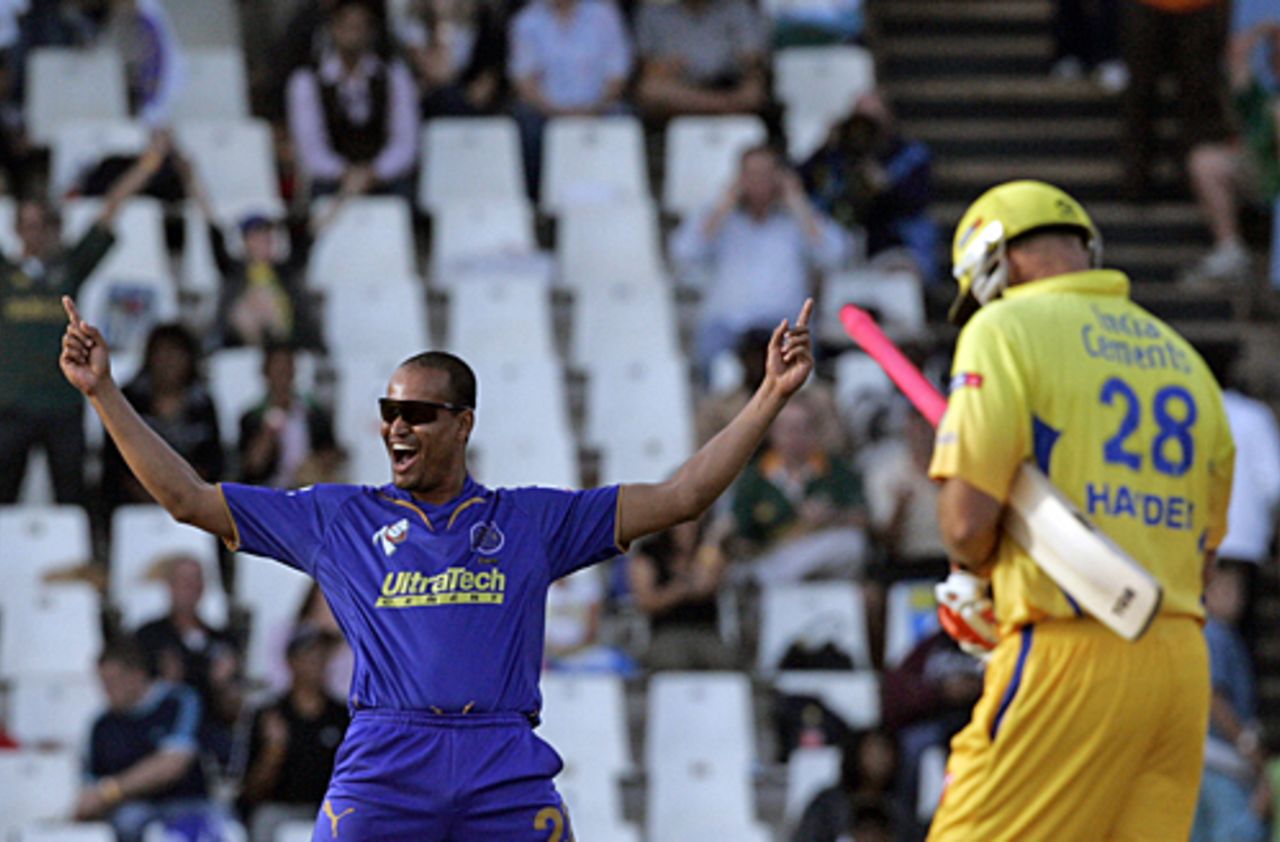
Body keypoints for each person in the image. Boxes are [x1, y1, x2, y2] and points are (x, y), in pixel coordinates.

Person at [59, 287, 817, 840]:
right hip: (386, 757)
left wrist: (769, 398)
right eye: (389, 412)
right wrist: (104, 395)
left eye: (417, 413)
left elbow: (682, 496)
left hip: (500, 758)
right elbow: (190, 500)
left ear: (463, 424)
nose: (396, 427)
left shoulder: (529, 520)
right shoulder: (338, 517)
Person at [926, 180, 1234, 840]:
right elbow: (1204, 557)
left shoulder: (1002, 329)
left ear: (992, 261)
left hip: (1068, 650)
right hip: (1180, 663)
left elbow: (964, 521)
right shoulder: (1186, 362)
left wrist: (974, 582)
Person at [0, 132, 167, 505]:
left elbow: (110, 209)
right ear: (15, 229)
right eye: (26, 225)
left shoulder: (69, 268)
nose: (34, 234)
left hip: (62, 405)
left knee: (72, 500)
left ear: (53, 227)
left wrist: (147, 165)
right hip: (9, 406)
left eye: (40, 224)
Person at [671, 143, 853, 378]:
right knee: (710, 355)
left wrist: (797, 201)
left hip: (784, 324)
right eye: (751, 174)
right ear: (739, 178)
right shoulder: (720, 217)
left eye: (766, 174)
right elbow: (683, 252)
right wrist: (724, 203)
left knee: (802, 357)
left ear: (780, 178)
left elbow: (836, 255)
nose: (758, 181)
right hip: (728, 324)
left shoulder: (797, 220)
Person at [1120, 0, 1249, 283]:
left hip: (1201, 7)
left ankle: (1186, 177)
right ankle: (1136, 180)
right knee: (1140, 95)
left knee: (1199, 94)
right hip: (1147, 6)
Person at [177, 149, 347, 351]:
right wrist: (190, 178)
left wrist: (348, 191)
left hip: (290, 343)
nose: (263, 241)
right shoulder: (232, 269)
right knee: (252, 302)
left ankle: (274, 354)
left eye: (267, 235)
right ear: (244, 243)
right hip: (240, 344)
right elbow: (208, 219)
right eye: (256, 237)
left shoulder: (288, 268)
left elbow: (316, 228)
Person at [75, 636, 229, 842]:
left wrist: (110, 791)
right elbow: (91, 787)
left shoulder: (178, 701)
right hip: (133, 811)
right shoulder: (101, 725)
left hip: (189, 802)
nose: (107, 691)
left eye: (114, 681)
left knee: (221, 825)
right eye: (103, 683)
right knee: (126, 821)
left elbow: (172, 764)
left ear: (138, 675)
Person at [286, 0, 420, 201]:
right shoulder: (307, 81)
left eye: (359, 26)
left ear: (371, 30)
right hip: (334, 180)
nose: (353, 34)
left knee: (402, 192)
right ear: (332, 28)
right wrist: (344, 173)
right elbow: (310, 149)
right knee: (321, 192)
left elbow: (406, 142)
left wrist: (374, 173)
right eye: (346, 26)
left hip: (383, 178)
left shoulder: (394, 76)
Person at [730, 389, 867, 584]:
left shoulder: (837, 469)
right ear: (773, 432)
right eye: (788, 429)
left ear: (815, 431)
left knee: (852, 544)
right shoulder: (754, 476)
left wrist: (831, 517)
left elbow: (863, 519)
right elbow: (741, 535)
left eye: (803, 428)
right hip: (773, 555)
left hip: (824, 555)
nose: (796, 437)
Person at [800, 90, 938, 283]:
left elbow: (917, 203)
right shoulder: (836, 154)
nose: (865, 129)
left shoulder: (909, 154)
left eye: (874, 118)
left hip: (891, 243)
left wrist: (884, 184)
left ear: (888, 118)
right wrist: (825, 146)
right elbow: (801, 182)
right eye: (860, 118)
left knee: (902, 274)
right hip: (840, 242)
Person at [508, 0, 632, 199]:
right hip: (546, 111)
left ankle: (621, 196)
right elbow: (524, 81)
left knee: (623, 119)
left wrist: (593, 109)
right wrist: (558, 112)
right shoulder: (527, 20)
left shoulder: (604, 14)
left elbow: (617, 74)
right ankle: (537, 204)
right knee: (527, 124)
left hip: (599, 108)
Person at [239, 623, 349, 842]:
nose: (317, 661)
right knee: (264, 820)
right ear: (291, 662)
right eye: (309, 654)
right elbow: (250, 792)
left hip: (331, 809)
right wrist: (274, 750)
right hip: (281, 810)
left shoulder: (343, 715)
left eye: (321, 654)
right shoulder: (269, 714)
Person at [100, 322, 223, 513]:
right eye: (162, 355)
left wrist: (185, 495)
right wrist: (155, 496)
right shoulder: (128, 400)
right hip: (133, 504)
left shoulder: (203, 405)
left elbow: (212, 461)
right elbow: (115, 463)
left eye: (176, 355)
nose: (169, 363)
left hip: (194, 505)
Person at [133, 553, 243, 766]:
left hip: (210, 732)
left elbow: (234, 710)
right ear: (169, 586)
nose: (189, 588)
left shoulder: (223, 640)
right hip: (160, 731)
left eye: (195, 581)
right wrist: (166, 685)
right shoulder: (148, 636)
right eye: (182, 581)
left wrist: (223, 684)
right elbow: (134, 697)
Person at [1192, 564, 1271, 842]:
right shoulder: (1215, 635)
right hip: (1221, 758)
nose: (1234, 597)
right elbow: (1215, 697)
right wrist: (1246, 743)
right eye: (1224, 588)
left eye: (1238, 589)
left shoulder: (1220, 635)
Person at [627, 516, 736, 671]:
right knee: (671, 660)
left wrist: (711, 540)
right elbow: (647, 601)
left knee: (725, 663)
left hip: (704, 631)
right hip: (667, 632)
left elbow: (704, 585)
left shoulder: (707, 547)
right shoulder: (649, 552)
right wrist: (683, 588)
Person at [634, 0, 768, 119]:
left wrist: (744, 65)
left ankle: (715, 105)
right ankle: (719, 107)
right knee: (651, 90)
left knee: (753, 90)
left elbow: (752, 61)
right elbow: (648, 68)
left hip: (726, 82)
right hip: (681, 88)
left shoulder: (737, 7)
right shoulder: (653, 10)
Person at [238, 343, 343, 488]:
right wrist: (267, 436)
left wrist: (316, 463)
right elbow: (252, 467)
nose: (282, 377)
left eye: (287, 369)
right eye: (277, 370)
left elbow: (331, 450)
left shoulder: (313, 412)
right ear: (266, 373)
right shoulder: (251, 418)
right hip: (270, 491)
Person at [791, 728, 906, 842]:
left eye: (885, 752)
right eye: (872, 752)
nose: (880, 759)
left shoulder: (899, 808)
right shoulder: (826, 805)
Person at [395, 0, 506, 118]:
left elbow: (488, 74)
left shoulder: (482, 21)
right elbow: (438, 73)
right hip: (428, 96)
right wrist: (442, 25)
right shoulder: (415, 25)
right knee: (445, 97)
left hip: (467, 98)